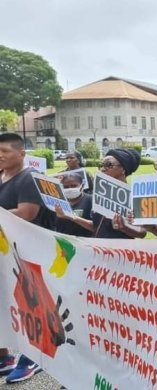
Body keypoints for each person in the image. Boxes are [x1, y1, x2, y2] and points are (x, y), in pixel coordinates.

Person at [0, 133, 45, 383]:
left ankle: (32, 358)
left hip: (26, 252)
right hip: (5, 250)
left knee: (28, 305)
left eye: (6, 151)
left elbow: (27, 213)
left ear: (22, 153)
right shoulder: (2, 176)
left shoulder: (28, 178)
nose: (1, 155)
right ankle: (4, 356)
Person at [90, 149, 146, 239]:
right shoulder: (100, 193)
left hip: (121, 250)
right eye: (101, 165)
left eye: (109, 165)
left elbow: (142, 232)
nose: (102, 169)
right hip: (99, 249)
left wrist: (125, 228)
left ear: (123, 169)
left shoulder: (134, 197)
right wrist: (72, 217)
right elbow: (96, 226)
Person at [53, 172, 93, 237]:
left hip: (85, 243)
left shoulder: (91, 200)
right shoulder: (57, 202)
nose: (69, 189)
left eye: (73, 186)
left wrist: (71, 217)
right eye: (66, 187)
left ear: (82, 186)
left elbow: (96, 227)